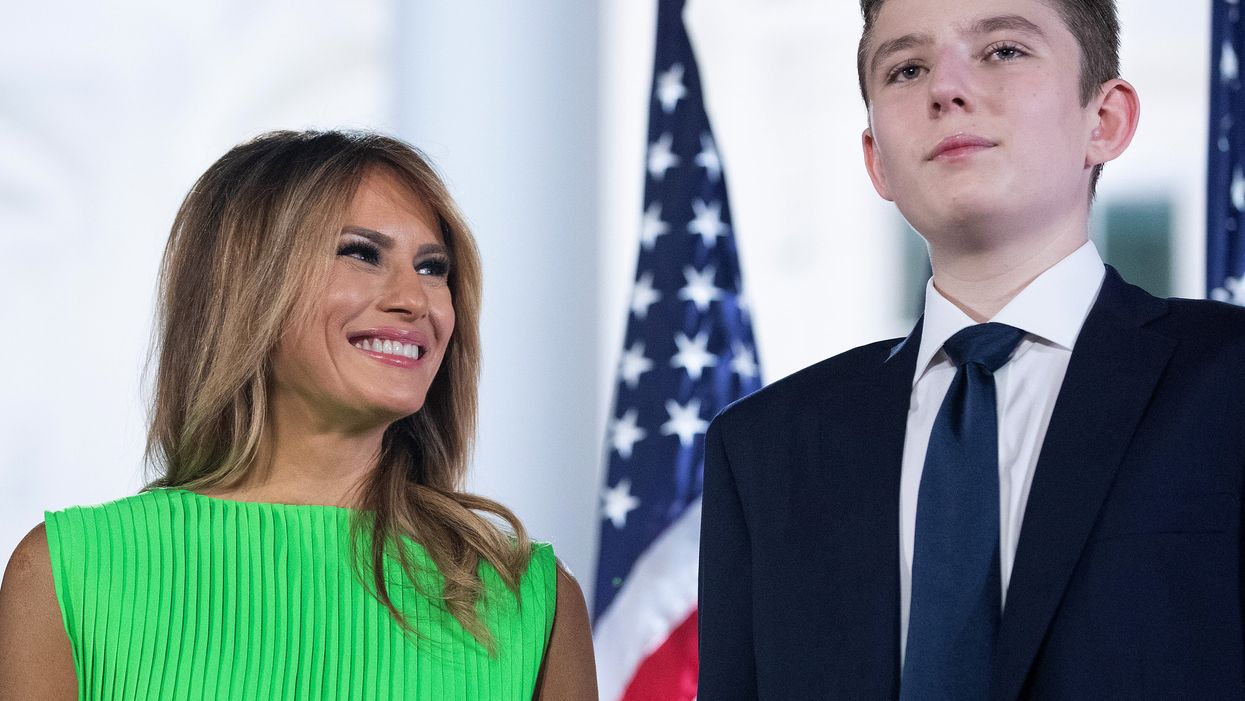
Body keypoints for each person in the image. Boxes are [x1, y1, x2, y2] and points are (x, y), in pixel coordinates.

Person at [699, 0, 1245, 698]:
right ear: (877, 162)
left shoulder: (1226, 383)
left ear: (1103, 121)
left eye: (1003, 51)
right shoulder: (762, 448)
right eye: (906, 67)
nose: (945, 88)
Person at [0, 130, 598, 699]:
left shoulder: (529, 599)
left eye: (433, 267)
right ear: (246, 285)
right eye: (361, 254)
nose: (414, 300)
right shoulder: (67, 573)